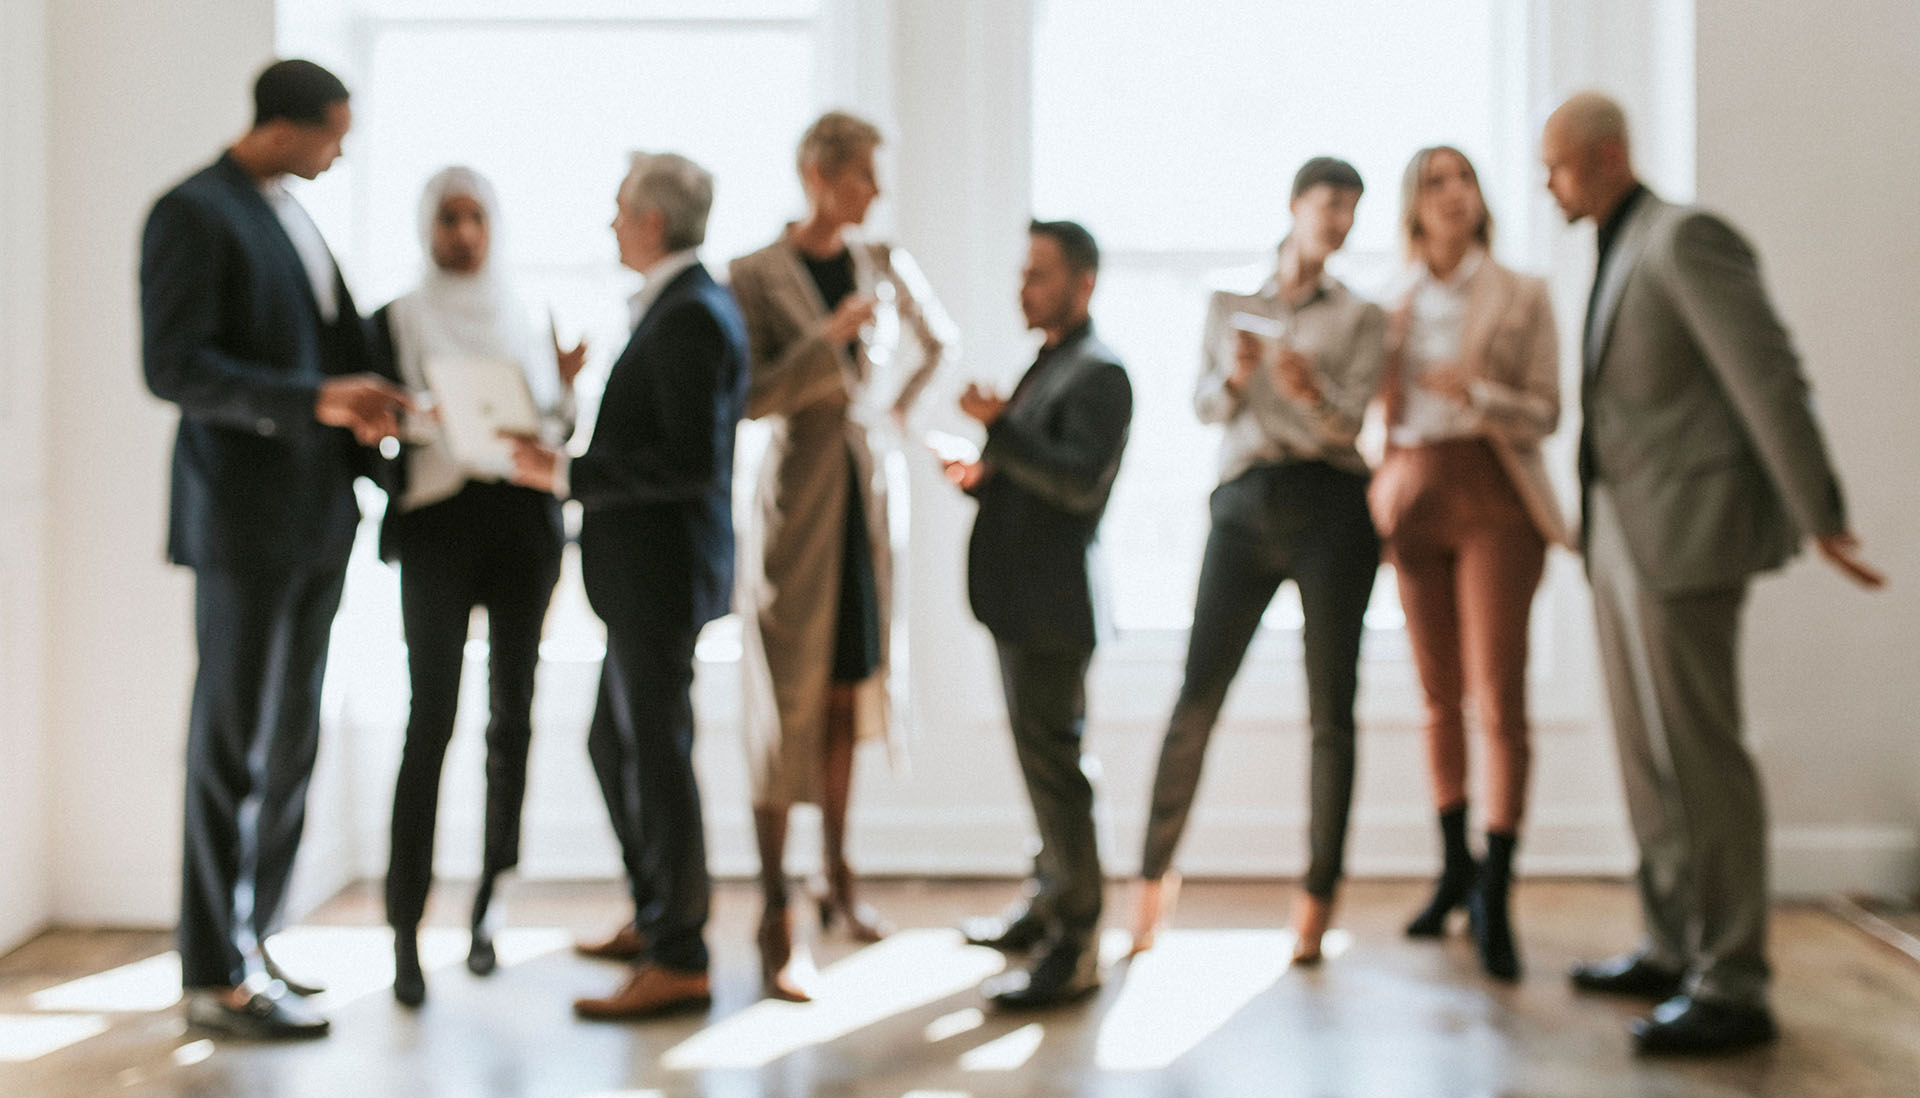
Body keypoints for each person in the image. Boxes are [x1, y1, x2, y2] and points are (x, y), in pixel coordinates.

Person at [1541, 92, 1884, 1053]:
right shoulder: (1613, 248)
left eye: (1557, 165)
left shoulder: (1685, 239)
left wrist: (1823, 515)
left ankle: (1733, 980)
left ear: (1605, 157)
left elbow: (1765, 374)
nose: (1546, 183)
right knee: (1647, 765)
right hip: (1615, 538)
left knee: (1701, 758)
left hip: (1685, 539)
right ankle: (1672, 942)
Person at [140, 59, 407, 1039]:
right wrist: (314, 401)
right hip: (243, 525)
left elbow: (324, 346)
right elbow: (173, 367)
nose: (340, 154)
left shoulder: (293, 210)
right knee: (230, 744)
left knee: (290, 742)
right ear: (286, 126)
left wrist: (370, 396)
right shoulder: (192, 212)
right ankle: (212, 971)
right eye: (334, 134)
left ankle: (257, 938)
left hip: (319, 520)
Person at [507, 151, 747, 1019]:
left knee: (656, 759)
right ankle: (658, 918)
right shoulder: (678, 308)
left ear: (651, 221)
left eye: (618, 209)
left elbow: (688, 461)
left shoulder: (692, 315)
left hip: (661, 578)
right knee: (617, 750)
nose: (610, 222)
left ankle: (681, 954)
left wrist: (565, 475)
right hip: (646, 579)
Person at [1128, 157, 1386, 965]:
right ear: (1295, 206)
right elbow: (1204, 406)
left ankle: (1316, 903)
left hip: (1333, 509)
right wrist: (1238, 377)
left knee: (1330, 712)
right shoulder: (1229, 301)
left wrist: (1309, 390)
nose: (1338, 222)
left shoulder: (1364, 317)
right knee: (1196, 696)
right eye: (1329, 205)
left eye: (1351, 211)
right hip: (1242, 504)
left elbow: (1351, 430)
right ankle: (1147, 887)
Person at [727, 110, 953, 1000]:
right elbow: (747, 397)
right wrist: (827, 340)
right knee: (783, 698)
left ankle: (838, 876)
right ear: (818, 174)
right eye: (863, 175)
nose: (876, 193)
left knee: (844, 689)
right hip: (797, 497)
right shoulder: (752, 275)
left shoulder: (881, 259)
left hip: (867, 498)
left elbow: (940, 339)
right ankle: (775, 910)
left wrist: (895, 409)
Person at [372, 166, 588, 1007]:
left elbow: (554, 430)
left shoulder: (528, 313)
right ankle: (403, 926)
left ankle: (491, 903)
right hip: (436, 525)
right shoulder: (394, 318)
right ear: (427, 225)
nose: (462, 233)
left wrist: (564, 388)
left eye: (476, 217)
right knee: (429, 719)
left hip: (522, 531)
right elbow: (371, 428)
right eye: (447, 217)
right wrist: (422, 419)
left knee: (514, 716)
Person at [1368, 146, 1567, 981]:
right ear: (1414, 206)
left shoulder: (1522, 292)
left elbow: (1548, 411)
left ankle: (1497, 887)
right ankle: (1453, 866)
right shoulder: (1389, 304)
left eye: (1465, 180)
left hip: (1494, 494)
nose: (1454, 195)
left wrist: (1476, 395)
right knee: (1435, 694)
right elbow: (1366, 407)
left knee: (1499, 698)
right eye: (1435, 183)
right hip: (1413, 492)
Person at [948, 219, 1132, 1009]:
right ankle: (1050, 900)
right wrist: (983, 472)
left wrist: (999, 430)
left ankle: (1077, 942)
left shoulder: (1101, 372)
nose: (1024, 289)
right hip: (1020, 602)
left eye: (1039, 276)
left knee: (1058, 771)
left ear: (1082, 282)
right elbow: (1032, 470)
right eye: (1023, 274)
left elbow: (1077, 483)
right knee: (1043, 764)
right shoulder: (1054, 361)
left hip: (1054, 607)